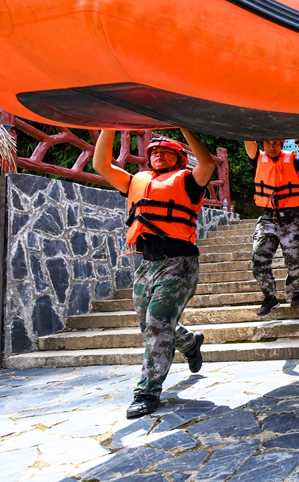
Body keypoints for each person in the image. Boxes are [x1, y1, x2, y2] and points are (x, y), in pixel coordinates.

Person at [93, 129, 215, 419]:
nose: (157, 154)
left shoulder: (189, 179)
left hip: (179, 264)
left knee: (158, 326)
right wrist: (109, 126)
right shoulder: (137, 181)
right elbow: (100, 165)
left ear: (180, 157)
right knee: (149, 326)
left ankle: (147, 392)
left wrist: (185, 127)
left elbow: (208, 164)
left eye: (166, 151)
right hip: (146, 264)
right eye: (153, 151)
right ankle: (189, 342)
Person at [244, 138, 299, 315]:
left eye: (276, 143)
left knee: (292, 259)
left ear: (282, 145)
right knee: (258, 257)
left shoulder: (292, 160)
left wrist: (298, 141)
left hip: (291, 218)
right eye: (268, 143)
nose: (272, 147)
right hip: (268, 218)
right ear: (263, 145)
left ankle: (294, 292)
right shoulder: (258, 158)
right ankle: (269, 297)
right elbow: (248, 138)